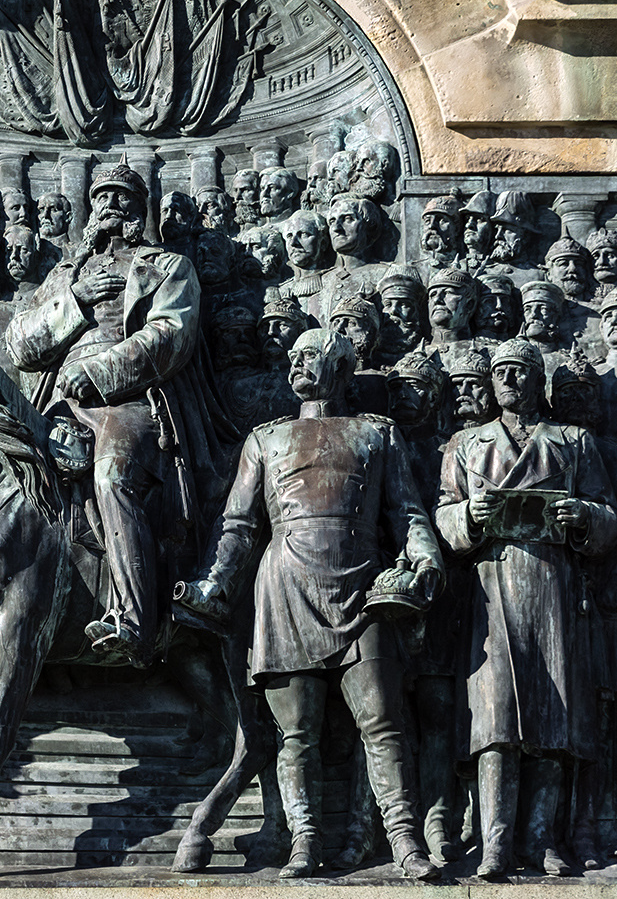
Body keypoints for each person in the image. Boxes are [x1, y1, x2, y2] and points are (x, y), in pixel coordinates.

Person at [177, 329, 441, 880]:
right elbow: (239, 525)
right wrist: (212, 582)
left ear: (342, 368)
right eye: (292, 357)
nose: (296, 363)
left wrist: (425, 558)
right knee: (296, 733)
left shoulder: (376, 433)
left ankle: (405, 840)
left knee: (383, 721)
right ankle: (304, 841)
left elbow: (408, 512)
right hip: (286, 588)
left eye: (311, 356)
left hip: (363, 587)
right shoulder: (266, 440)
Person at [437, 337, 617, 878]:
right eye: (502, 373)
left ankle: (542, 837)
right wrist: (469, 514)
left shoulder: (573, 441)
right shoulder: (467, 443)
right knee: (495, 716)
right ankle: (495, 841)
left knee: (551, 716)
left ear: (539, 380)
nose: (510, 382)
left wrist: (583, 515)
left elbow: (612, 517)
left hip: (554, 587)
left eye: (521, 371)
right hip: (490, 590)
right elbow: (442, 518)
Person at [7, 163, 201, 666]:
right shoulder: (65, 275)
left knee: (112, 473)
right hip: (55, 404)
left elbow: (169, 336)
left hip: (129, 401)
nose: (111, 206)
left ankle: (132, 619)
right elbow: (19, 345)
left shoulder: (167, 267)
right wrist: (73, 301)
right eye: (102, 197)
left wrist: (100, 371)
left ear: (140, 210)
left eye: (122, 197)